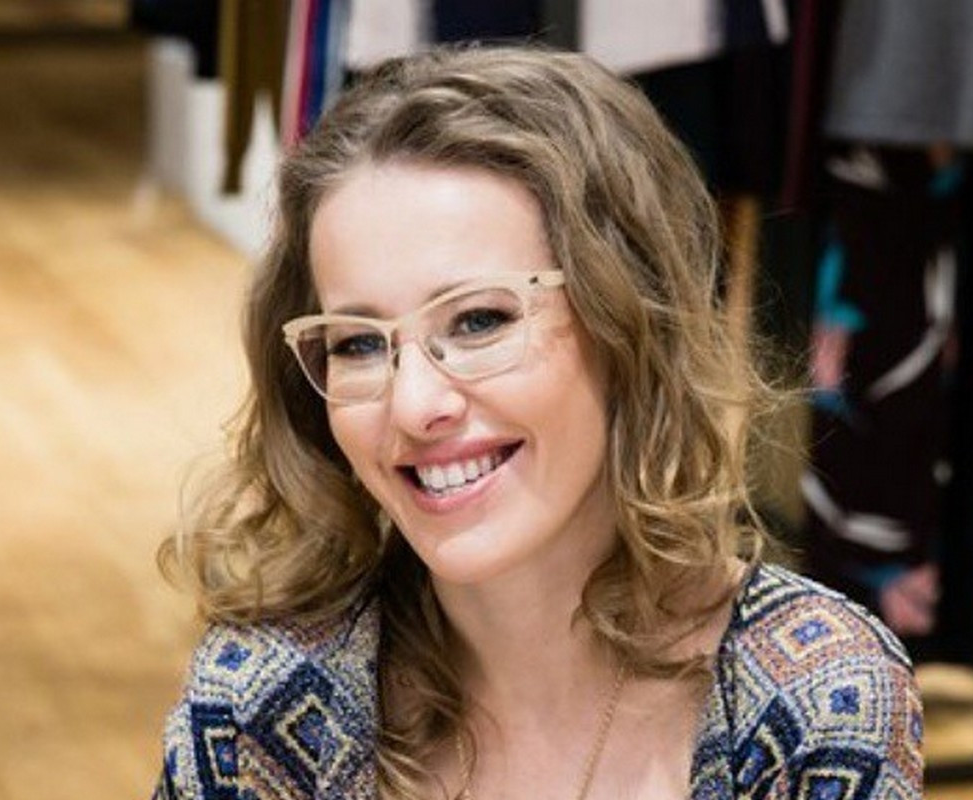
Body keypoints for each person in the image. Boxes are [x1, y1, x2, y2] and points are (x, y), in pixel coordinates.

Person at [153, 45, 923, 800]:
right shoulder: (258, 705)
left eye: (479, 320)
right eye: (357, 343)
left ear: (629, 323)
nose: (415, 405)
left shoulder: (813, 704)